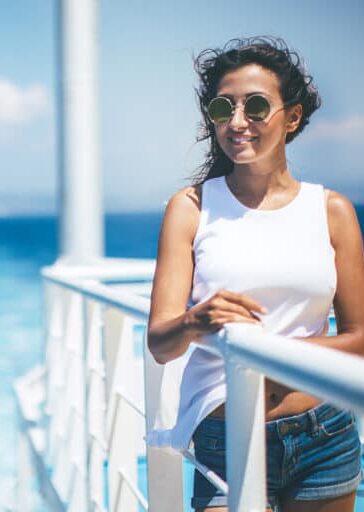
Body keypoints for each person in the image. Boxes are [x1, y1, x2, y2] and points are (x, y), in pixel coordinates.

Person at [146, 36, 364, 512]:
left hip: (323, 431)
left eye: (257, 106)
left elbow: (360, 338)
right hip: (228, 436)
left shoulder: (332, 211)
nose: (237, 122)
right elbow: (160, 344)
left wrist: (265, 356)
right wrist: (194, 322)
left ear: (292, 117)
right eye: (224, 108)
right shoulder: (192, 208)